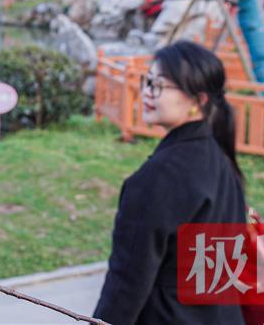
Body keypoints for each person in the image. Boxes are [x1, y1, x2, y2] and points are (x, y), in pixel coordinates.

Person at [93, 41, 246, 325]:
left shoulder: (160, 176)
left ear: (198, 100)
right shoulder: (219, 159)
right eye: (148, 81)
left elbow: (127, 282)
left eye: (160, 85)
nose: (148, 92)